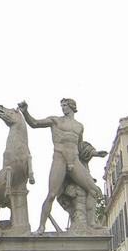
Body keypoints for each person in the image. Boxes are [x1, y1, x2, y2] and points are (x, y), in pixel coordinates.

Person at [18, 98, 105, 234]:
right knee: (52, 194)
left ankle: (92, 222)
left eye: (65, 105)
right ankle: (41, 227)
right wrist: (25, 112)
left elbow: (80, 146)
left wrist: (96, 153)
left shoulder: (79, 126)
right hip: (60, 159)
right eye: (62, 105)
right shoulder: (55, 121)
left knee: (93, 190)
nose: (63, 108)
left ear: (72, 107)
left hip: (74, 160)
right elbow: (34, 123)